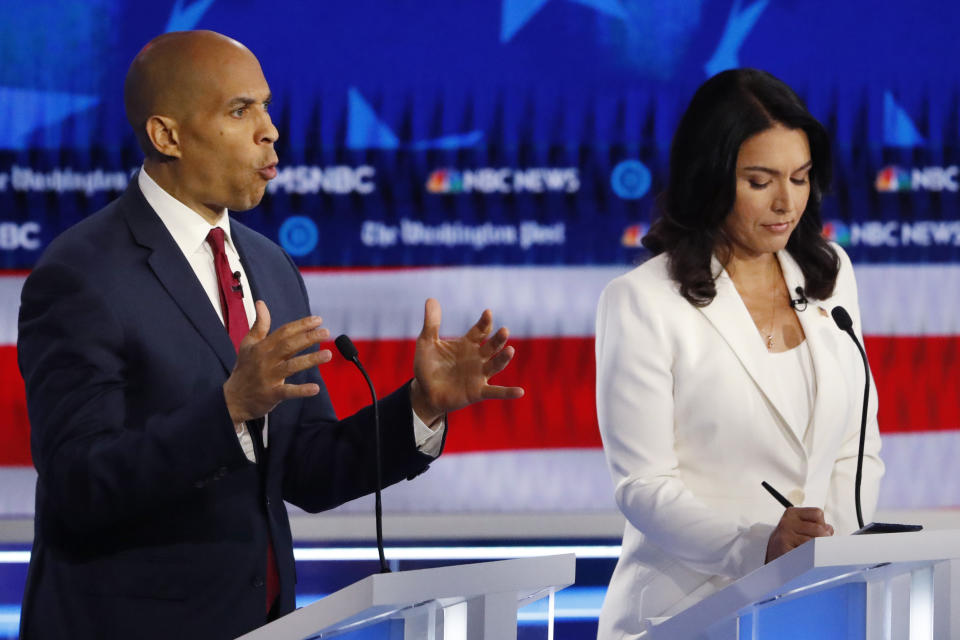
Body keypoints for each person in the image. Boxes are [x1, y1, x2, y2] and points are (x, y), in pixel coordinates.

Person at [16, 30, 523, 640]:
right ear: (166, 135)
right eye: (240, 110)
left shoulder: (269, 265)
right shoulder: (82, 274)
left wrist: (419, 407)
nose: (270, 130)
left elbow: (309, 468)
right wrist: (230, 409)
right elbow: (79, 486)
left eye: (266, 106)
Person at [594, 68, 883, 639]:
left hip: (818, 610)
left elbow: (857, 448)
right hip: (688, 613)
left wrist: (828, 561)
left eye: (800, 178)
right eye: (760, 181)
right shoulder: (642, 301)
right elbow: (643, 485)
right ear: (710, 179)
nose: (786, 201)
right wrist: (758, 548)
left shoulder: (832, 274)